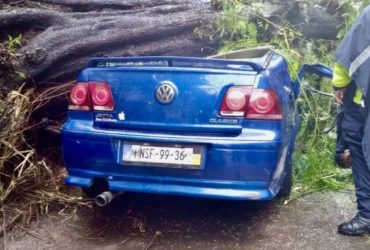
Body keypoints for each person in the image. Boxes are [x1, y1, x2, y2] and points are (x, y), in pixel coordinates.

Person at [333, 5, 370, 236]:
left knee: (360, 148)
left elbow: (350, 52)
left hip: (363, 104)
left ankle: (367, 215)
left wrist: (339, 85)